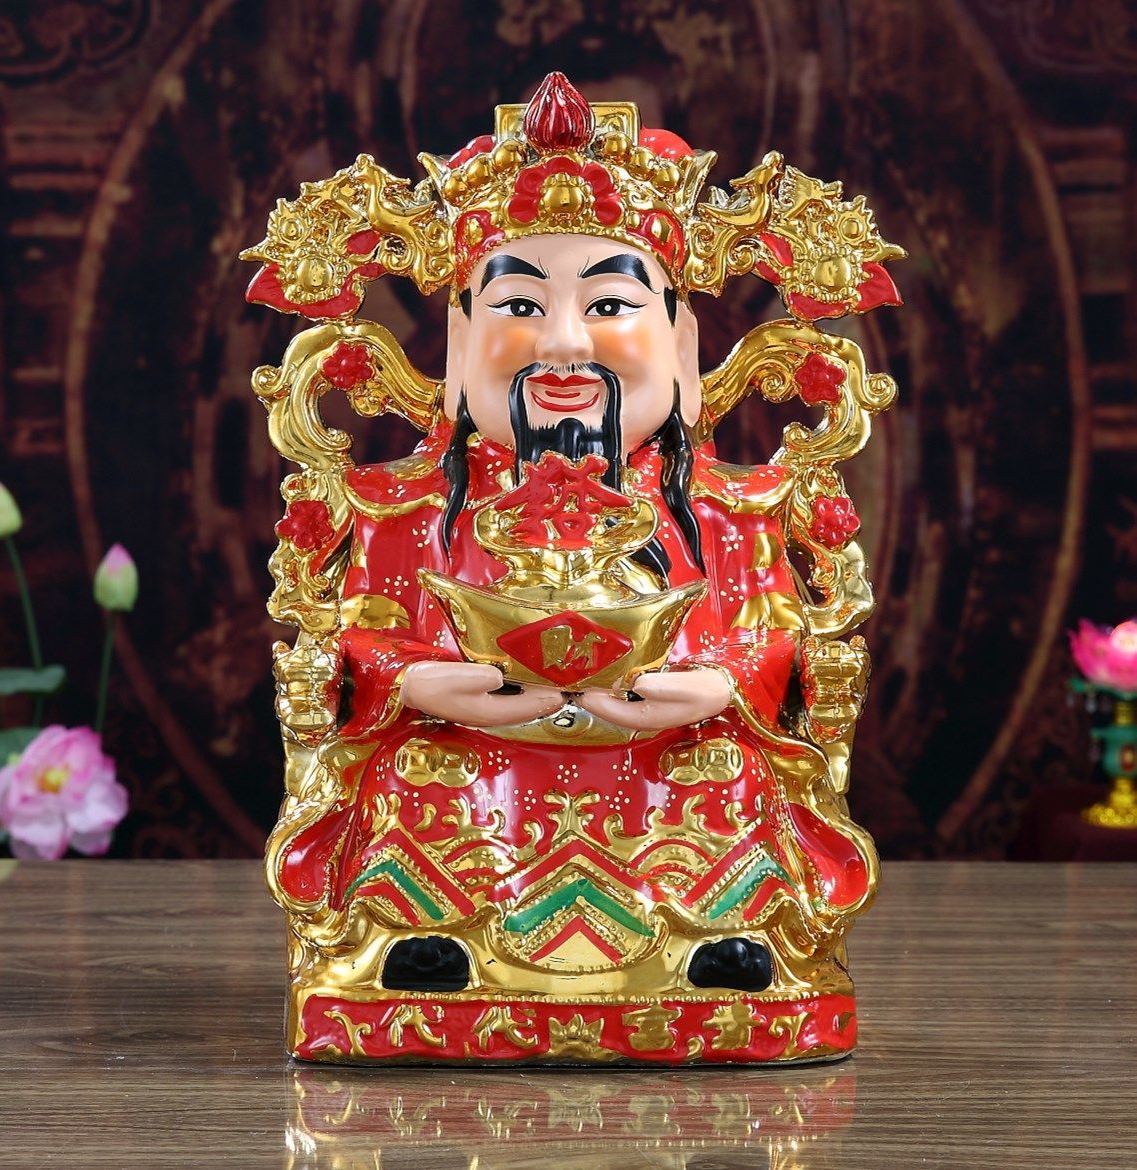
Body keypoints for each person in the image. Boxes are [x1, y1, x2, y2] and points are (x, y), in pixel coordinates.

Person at [247, 72, 900, 1063]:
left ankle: (716, 940)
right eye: (518, 303)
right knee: (420, 768)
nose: (560, 343)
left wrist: (718, 684)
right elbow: (356, 643)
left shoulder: (728, 511)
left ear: (681, 348)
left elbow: (773, 638)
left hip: (664, 763)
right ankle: (426, 942)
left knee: (724, 765)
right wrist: (416, 682)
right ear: (459, 344)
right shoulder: (403, 509)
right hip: (475, 765)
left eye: (609, 304)